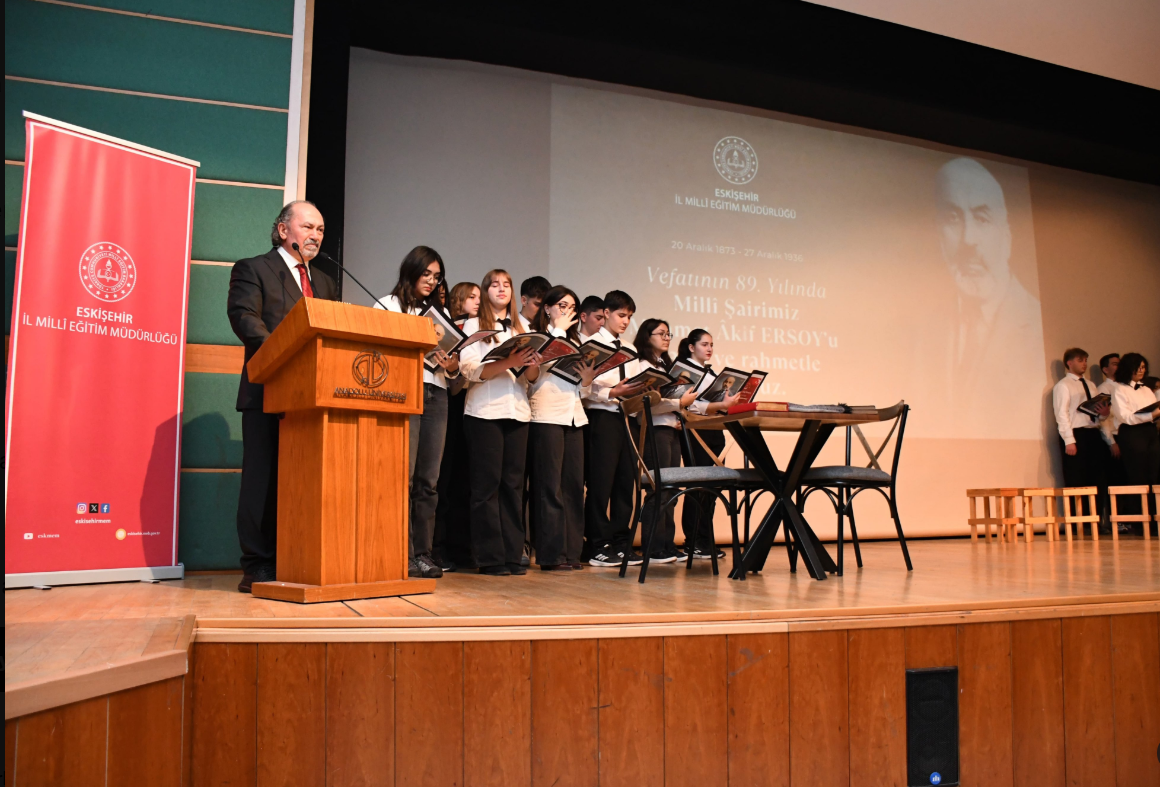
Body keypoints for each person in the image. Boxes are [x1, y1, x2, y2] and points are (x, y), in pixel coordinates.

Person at [227, 201, 339, 593]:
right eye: (307, 226)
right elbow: (245, 319)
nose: (315, 235)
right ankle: (257, 564)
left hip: (313, 396)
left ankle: (296, 555)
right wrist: (287, 351)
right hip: (268, 391)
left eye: (321, 230)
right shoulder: (253, 269)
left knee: (302, 481)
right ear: (282, 230)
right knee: (263, 480)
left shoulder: (325, 283)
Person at [930, 157, 1045, 438]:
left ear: (1006, 234)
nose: (968, 238)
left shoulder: (1035, 325)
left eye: (982, 218)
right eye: (953, 218)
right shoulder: (919, 331)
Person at [374, 247, 458, 579]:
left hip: (435, 392)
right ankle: (400, 552)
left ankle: (423, 552)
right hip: (401, 390)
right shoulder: (387, 305)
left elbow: (452, 363)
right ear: (411, 271)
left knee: (428, 481)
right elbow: (376, 352)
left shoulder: (439, 314)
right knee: (403, 478)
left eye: (437, 277)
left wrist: (450, 363)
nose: (432, 281)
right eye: (427, 274)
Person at [457, 270, 543, 575]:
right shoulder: (473, 326)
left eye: (507, 284)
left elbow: (530, 379)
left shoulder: (523, 328)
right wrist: (509, 362)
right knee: (486, 487)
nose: (502, 288)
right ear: (485, 291)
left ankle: (512, 553)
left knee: (514, 486)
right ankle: (490, 557)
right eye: (495, 284)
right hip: (484, 412)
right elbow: (469, 370)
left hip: (518, 411)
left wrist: (531, 365)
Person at [528, 286, 600, 570]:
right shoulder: (540, 339)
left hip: (574, 416)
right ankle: (550, 554)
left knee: (572, 487)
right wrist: (556, 332)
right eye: (562, 305)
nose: (567, 311)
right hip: (545, 415)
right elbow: (531, 379)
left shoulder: (575, 343)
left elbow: (581, 393)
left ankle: (572, 552)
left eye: (571, 307)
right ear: (547, 308)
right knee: (549, 487)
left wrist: (586, 379)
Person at [582, 290, 647, 566]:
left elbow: (631, 382)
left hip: (626, 418)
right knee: (600, 483)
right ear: (606, 313)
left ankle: (622, 542)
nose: (625, 321)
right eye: (621, 315)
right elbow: (585, 387)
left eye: (629, 317)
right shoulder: (591, 345)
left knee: (625, 483)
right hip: (602, 416)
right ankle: (597, 544)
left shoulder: (630, 349)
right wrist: (612, 392)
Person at [675, 330, 741, 559]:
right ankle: (692, 540)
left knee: (713, 486)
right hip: (695, 431)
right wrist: (716, 406)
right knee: (697, 485)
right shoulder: (685, 371)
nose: (709, 348)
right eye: (704, 344)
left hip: (715, 430)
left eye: (712, 344)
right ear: (691, 347)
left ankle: (704, 539)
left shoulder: (712, 373)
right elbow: (688, 406)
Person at [433, 282, 480, 571]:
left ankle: (462, 549)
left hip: (470, 410)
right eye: (471, 296)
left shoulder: (478, 329)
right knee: (442, 481)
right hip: (447, 406)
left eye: (479, 296)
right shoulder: (448, 328)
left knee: (465, 483)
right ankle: (438, 548)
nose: (477, 301)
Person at [632, 319, 684, 563]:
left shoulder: (668, 365)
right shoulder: (642, 365)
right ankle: (653, 547)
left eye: (668, 333)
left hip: (671, 428)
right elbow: (647, 402)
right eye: (661, 333)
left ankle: (668, 544)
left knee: (671, 489)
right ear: (646, 335)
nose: (666, 337)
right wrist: (676, 404)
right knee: (658, 488)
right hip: (654, 429)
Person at [1051, 347, 1111, 529]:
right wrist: (1069, 440)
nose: (1084, 363)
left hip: (1093, 433)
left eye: (1085, 360)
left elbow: (1095, 412)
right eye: (1080, 360)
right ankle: (1078, 522)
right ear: (1069, 363)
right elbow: (1062, 414)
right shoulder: (1063, 385)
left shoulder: (1092, 385)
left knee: (1097, 477)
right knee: (1076, 478)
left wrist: (1104, 413)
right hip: (1076, 435)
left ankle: (1095, 519)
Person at [1110, 353, 1160, 524]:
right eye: (1137, 367)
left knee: (1153, 473)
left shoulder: (1146, 389)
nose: (1141, 371)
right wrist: (1151, 415)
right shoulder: (1119, 389)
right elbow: (1126, 417)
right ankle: (1139, 519)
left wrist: (1155, 415)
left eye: (1143, 367)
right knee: (1137, 475)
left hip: (1150, 432)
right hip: (1132, 433)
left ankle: (1155, 517)